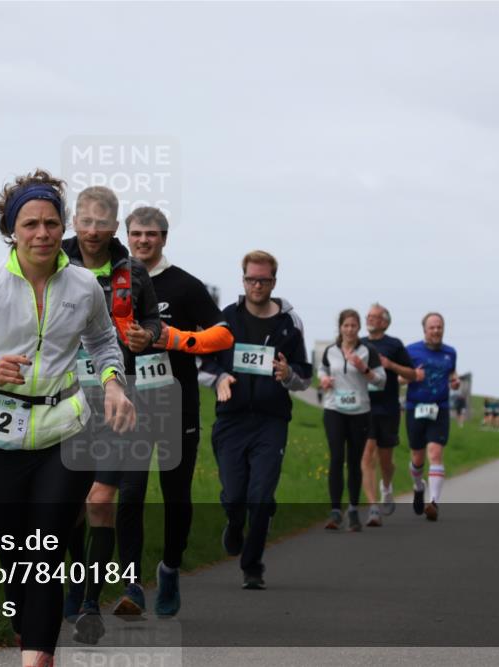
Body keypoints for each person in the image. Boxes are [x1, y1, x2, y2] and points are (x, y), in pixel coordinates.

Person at [0, 169, 135, 667]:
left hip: (64, 431)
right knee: (11, 545)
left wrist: (111, 384)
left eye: (49, 222)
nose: (42, 233)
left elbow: (104, 341)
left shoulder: (83, 285)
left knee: (44, 549)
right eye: (30, 224)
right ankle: (30, 627)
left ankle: (37, 654)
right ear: (12, 231)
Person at [60, 186, 162, 643]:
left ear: (114, 226)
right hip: (62, 401)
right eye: (86, 221)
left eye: (102, 223)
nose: (93, 230)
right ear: (74, 221)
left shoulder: (133, 273)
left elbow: (154, 323)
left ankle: (87, 604)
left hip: (119, 401)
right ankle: (72, 585)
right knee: (69, 507)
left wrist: (147, 336)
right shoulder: (53, 261)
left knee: (101, 499)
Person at [125, 206, 234, 616]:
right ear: (127, 235)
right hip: (129, 403)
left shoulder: (186, 286)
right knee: (130, 492)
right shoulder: (113, 282)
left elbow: (223, 334)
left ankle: (169, 569)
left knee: (175, 496)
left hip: (176, 403)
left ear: (164, 238)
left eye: (151, 234)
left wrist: (174, 338)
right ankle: (131, 584)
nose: (143, 241)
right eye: (136, 234)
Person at [201, 250, 312, 589]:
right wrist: (219, 378)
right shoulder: (225, 319)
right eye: (252, 279)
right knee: (235, 496)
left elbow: (305, 377)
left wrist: (287, 373)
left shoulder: (289, 323)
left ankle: (253, 567)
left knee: (261, 498)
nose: (257, 285)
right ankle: (234, 524)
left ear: (274, 282)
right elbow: (202, 363)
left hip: (270, 421)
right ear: (243, 280)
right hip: (232, 421)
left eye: (264, 280)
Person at [318, 309, 386, 531]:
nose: (349, 330)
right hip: (334, 409)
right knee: (337, 458)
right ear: (340, 327)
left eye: (353, 326)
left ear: (359, 328)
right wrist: (324, 380)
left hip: (360, 412)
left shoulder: (369, 351)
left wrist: (364, 368)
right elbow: (321, 370)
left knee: (355, 462)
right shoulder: (330, 351)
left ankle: (354, 510)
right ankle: (336, 511)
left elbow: (381, 382)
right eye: (345, 325)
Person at [360, 304, 418, 527]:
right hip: (364, 408)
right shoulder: (360, 344)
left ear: (385, 321)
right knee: (366, 457)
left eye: (375, 317)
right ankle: (373, 508)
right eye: (369, 316)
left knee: (385, 461)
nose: (371, 319)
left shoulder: (394, 344)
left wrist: (390, 364)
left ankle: (387, 486)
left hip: (388, 408)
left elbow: (412, 374)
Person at [404, 312, 460, 522]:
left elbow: (452, 374)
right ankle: (419, 487)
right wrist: (412, 376)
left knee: (435, 453)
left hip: (440, 408)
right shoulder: (411, 351)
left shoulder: (450, 352)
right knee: (417, 458)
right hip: (415, 407)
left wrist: (454, 382)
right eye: (432, 327)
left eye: (440, 327)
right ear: (424, 330)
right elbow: (401, 377)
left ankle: (434, 502)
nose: (436, 331)